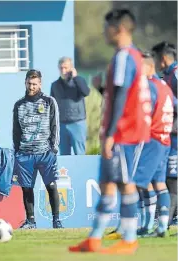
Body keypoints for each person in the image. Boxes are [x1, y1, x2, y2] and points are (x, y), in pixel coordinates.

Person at [69, 9, 152, 254]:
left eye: (107, 27)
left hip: (126, 134)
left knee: (125, 184)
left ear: (120, 29)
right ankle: (95, 238)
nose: (104, 32)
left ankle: (129, 239)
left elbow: (122, 96)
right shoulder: (125, 56)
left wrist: (112, 133)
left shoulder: (125, 56)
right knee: (107, 184)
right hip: (120, 132)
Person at [13, 69, 63, 229]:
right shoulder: (19, 104)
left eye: (35, 84)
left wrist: (53, 149)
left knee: (51, 186)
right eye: (29, 83)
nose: (31, 87)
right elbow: (16, 130)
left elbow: (55, 125)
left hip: (45, 152)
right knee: (27, 188)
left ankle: (56, 220)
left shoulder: (49, 101)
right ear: (25, 82)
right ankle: (31, 221)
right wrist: (17, 150)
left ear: (40, 84)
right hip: (25, 154)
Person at [133, 51, 175, 238]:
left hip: (151, 139)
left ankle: (147, 225)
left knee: (139, 182)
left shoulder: (149, 86)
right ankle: (162, 226)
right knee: (159, 183)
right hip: (165, 140)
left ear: (149, 67)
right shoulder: (164, 86)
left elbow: (141, 111)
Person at [152, 42, 177, 230]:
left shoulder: (175, 73)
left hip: (175, 133)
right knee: (170, 177)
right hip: (169, 134)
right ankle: (167, 220)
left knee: (172, 177)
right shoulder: (166, 75)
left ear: (163, 58)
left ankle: (166, 222)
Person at [50, 57, 90, 155]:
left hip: (77, 123)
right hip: (62, 125)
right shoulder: (55, 85)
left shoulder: (79, 81)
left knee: (80, 154)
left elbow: (86, 92)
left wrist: (76, 78)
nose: (63, 71)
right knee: (64, 156)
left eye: (66, 68)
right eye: (61, 68)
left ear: (71, 68)